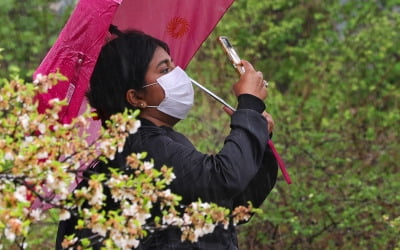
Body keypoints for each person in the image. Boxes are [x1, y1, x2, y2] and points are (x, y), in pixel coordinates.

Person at [55, 28, 278, 249]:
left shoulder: (160, 141)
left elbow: (234, 207)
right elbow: (222, 179)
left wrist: (258, 135)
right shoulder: (142, 149)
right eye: (164, 70)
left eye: (172, 65)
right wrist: (248, 105)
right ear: (136, 97)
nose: (178, 74)